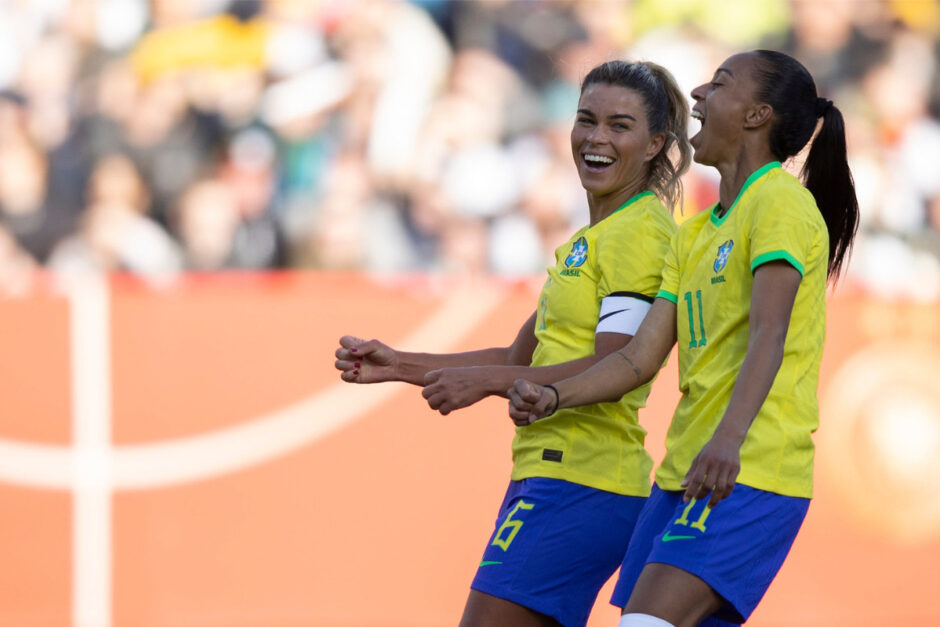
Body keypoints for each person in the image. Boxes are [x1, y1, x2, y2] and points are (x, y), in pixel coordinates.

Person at [508, 49, 859, 627]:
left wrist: (727, 442)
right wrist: (553, 396)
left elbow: (770, 335)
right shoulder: (694, 231)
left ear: (756, 115)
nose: (697, 93)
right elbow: (638, 357)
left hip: (748, 469)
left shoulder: (779, 203)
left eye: (719, 84)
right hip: (682, 474)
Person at [334, 60, 691, 627]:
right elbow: (515, 359)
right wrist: (398, 363)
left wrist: (484, 385)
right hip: (551, 474)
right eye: (586, 120)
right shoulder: (593, 237)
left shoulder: (642, 232)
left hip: (583, 481)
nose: (596, 138)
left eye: (619, 126)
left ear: (655, 145)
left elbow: (617, 362)